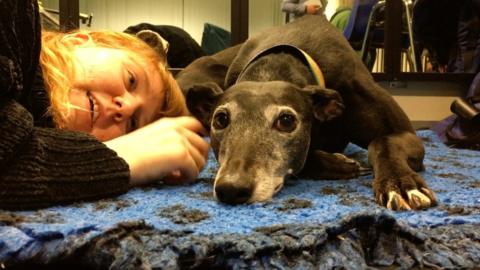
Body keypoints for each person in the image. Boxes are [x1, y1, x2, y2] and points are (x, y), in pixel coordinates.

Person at [0, 0, 209, 210]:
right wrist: (119, 158)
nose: (125, 107)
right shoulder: (14, 19)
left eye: (133, 125)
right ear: (80, 41)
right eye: (131, 80)